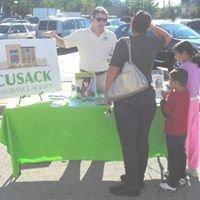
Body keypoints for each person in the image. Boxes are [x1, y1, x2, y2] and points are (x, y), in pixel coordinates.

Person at [104, 10, 172, 197]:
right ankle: (137, 178)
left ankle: (132, 185)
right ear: (146, 26)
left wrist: (107, 94)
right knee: (141, 140)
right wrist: (151, 25)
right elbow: (168, 37)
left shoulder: (123, 43)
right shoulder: (151, 42)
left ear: (132, 23)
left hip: (127, 101)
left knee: (129, 144)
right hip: (147, 98)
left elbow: (112, 71)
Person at [46, 6, 117, 93]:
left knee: (104, 105)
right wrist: (54, 36)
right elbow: (63, 43)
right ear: (92, 19)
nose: (102, 22)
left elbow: (116, 55)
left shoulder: (111, 36)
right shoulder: (81, 34)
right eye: (99, 19)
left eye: (104, 20)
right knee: (84, 105)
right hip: (85, 76)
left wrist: (112, 58)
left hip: (104, 77)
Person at [159, 69, 190, 191]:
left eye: (170, 80)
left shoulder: (173, 95)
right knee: (181, 154)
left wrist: (163, 100)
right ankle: (182, 176)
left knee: (173, 157)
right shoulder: (186, 93)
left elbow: (166, 112)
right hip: (183, 130)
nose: (169, 82)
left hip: (172, 131)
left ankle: (172, 182)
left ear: (176, 83)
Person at [173, 41, 200, 177]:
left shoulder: (184, 68)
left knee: (184, 136)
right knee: (195, 135)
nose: (175, 57)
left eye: (176, 54)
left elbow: (178, 88)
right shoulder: (197, 66)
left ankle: (179, 167)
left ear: (184, 53)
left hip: (185, 104)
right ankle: (193, 167)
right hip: (196, 102)